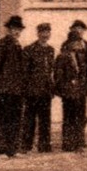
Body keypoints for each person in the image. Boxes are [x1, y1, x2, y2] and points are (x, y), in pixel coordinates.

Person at [0, 15, 28, 159]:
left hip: (17, 90)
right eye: (14, 29)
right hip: (4, 89)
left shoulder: (18, 45)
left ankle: (12, 149)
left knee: (16, 120)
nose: (16, 32)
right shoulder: (1, 45)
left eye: (18, 29)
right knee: (3, 120)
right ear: (8, 30)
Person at [55, 19, 87, 153]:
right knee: (69, 117)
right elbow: (60, 74)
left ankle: (79, 141)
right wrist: (65, 87)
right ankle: (68, 143)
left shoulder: (84, 50)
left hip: (81, 89)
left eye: (81, 30)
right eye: (76, 29)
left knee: (80, 116)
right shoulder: (64, 54)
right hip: (69, 91)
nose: (78, 44)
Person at [21, 23, 58, 154]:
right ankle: (26, 145)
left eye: (47, 32)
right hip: (32, 90)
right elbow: (25, 72)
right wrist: (26, 89)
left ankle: (44, 145)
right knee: (29, 119)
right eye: (42, 32)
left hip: (46, 91)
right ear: (38, 34)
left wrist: (51, 87)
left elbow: (50, 71)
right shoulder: (29, 49)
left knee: (45, 119)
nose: (45, 35)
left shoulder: (51, 50)